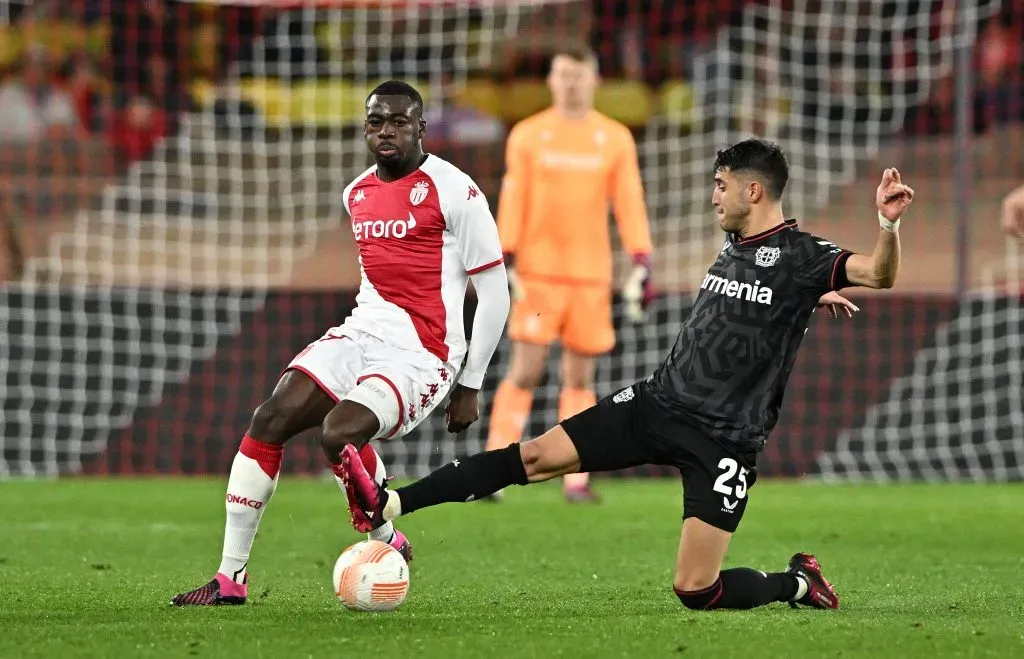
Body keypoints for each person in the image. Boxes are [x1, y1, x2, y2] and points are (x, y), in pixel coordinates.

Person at [339, 138, 914, 612]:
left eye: (721, 184)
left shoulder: (803, 256)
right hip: (656, 405)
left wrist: (885, 227)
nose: (714, 196)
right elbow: (757, 300)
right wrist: (804, 301)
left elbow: (878, 275)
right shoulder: (738, 244)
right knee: (534, 457)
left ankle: (795, 582)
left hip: (725, 442)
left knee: (696, 591)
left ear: (752, 189)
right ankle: (392, 505)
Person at [171, 80, 511, 606]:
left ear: (421, 128)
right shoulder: (356, 193)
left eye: (399, 122)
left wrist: (470, 383)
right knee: (269, 419)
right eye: (376, 121)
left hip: (425, 353)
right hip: (361, 332)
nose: (386, 132)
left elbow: (494, 292)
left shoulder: (455, 190)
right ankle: (229, 579)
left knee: (338, 434)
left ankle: (378, 529)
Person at [486, 45, 655, 503]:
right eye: (563, 75)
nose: (571, 83)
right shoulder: (527, 135)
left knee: (579, 379)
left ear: (595, 80)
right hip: (538, 275)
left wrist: (641, 257)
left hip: (590, 276)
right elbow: (513, 197)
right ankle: (493, 471)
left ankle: (575, 479)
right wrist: (504, 254)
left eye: (579, 75)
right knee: (525, 371)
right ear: (551, 80)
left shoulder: (614, 137)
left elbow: (629, 200)